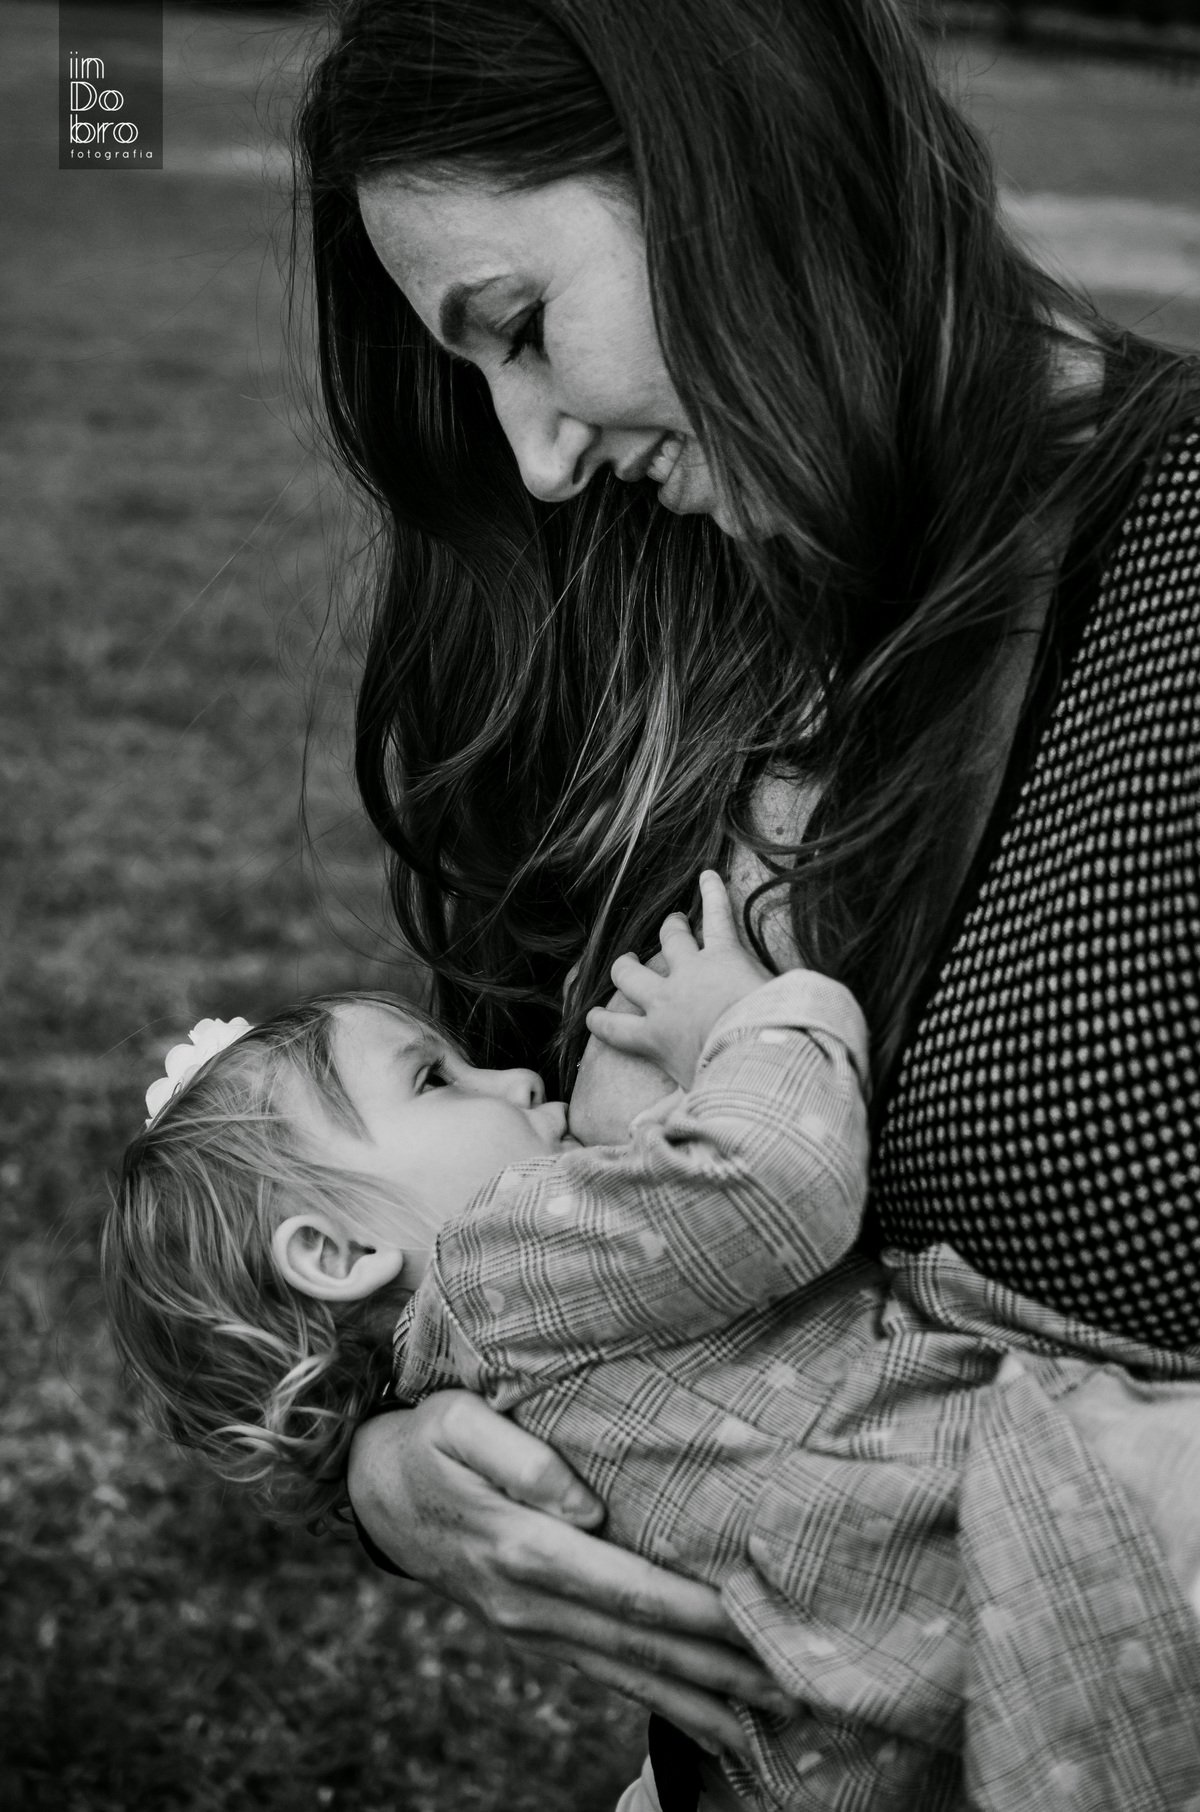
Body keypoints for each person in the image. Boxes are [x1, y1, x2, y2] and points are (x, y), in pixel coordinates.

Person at [292, 0, 1200, 1804]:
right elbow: (486, 1186)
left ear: (731, 161)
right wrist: (396, 1458)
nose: (535, 452)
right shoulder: (654, 595)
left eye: (526, 328)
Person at [101, 875, 1200, 1810]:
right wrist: (755, 1018)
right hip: (1035, 1524)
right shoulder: (499, 1260)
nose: (519, 1077)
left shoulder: (469, 1377)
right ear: (338, 1257)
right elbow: (773, 1183)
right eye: (437, 1079)